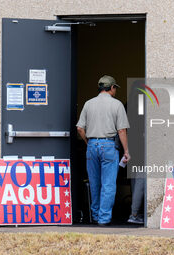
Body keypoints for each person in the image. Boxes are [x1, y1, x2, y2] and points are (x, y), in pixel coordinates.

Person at [76, 75, 131, 226]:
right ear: (112, 88)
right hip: (109, 146)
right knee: (108, 184)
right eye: (115, 88)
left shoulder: (88, 104)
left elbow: (80, 128)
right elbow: (121, 131)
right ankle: (104, 218)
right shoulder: (117, 105)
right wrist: (126, 151)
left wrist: (89, 143)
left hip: (92, 145)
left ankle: (95, 215)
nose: (115, 91)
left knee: (94, 183)